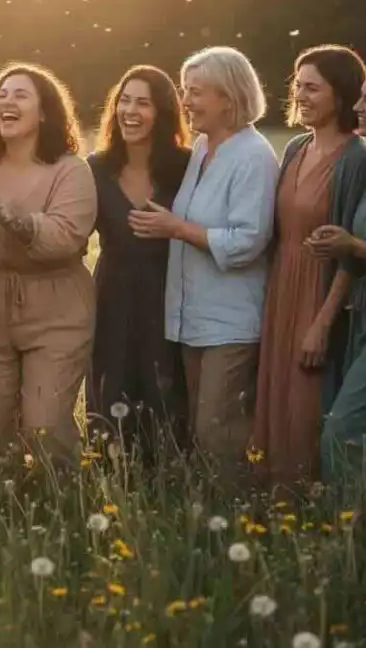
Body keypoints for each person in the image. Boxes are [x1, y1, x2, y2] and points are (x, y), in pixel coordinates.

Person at [128, 47, 278, 479]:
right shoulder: (201, 147)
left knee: (219, 433)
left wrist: (177, 229)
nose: (186, 101)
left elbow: (249, 240)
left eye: (196, 93)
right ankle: (211, 523)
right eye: (185, 90)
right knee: (200, 429)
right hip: (192, 317)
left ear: (228, 99)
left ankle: (240, 523)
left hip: (230, 321)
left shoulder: (253, 156)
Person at [0, 61, 97, 467]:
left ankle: (65, 513)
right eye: (1, 95)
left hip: (57, 306)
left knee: (45, 426)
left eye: (20, 95)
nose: (7, 101)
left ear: (44, 112)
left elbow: (61, 238)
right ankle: (3, 518)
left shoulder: (70, 171)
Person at [253, 44, 366, 486]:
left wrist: (323, 321)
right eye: (297, 85)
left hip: (321, 292)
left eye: (312, 87)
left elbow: (350, 251)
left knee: (307, 403)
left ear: (340, 95)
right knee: (276, 396)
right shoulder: (297, 147)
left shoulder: (357, 160)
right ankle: (274, 502)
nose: (300, 94)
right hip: (282, 286)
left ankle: (312, 506)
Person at [86, 65, 191, 457]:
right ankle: (109, 474)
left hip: (168, 290)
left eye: (142, 103)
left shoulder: (185, 165)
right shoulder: (96, 167)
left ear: (162, 112)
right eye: (123, 101)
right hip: (111, 291)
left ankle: (167, 473)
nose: (129, 111)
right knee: (110, 383)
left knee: (165, 386)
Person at [310, 62, 366, 489]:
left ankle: (345, 536)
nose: (359, 106)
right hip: (361, 318)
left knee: (341, 433)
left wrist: (353, 248)